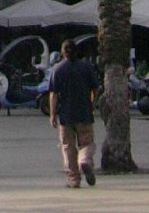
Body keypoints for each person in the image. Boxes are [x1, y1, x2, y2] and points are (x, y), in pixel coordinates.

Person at [48, 38, 97, 189]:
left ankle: (74, 180)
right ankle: (85, 161)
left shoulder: (58, 69)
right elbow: (95, 89)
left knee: (68, 147)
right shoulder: (86, 68)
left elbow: (53, 94)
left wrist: (52, 114)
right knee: (87, 143)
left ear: (63, 53)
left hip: (66, 115)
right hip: (84, 114)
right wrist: (92, 105)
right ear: (77, 52)